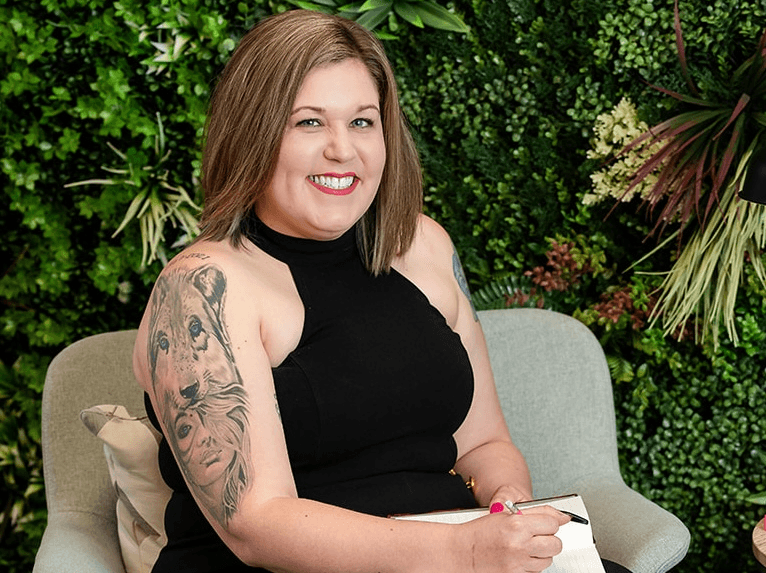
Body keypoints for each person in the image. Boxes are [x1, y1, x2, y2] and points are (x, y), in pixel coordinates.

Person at [133, 9, 630, 573]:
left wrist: (506, 509)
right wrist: (464, 552)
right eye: (309, 122)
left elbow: (483, 445)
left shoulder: (424, 245)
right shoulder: (203, 287)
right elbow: (257, 525)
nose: (342, 150)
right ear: (254, 135)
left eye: (362, 122)